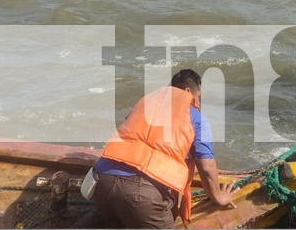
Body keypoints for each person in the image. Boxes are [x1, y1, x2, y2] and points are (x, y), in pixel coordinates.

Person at [92, 69, 236, 228]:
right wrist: (219, 197)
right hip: (142, 196)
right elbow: (207, 168)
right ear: (188, 91)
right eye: (198, 97)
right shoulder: (196, 118)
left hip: (102, 184)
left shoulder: (145, 103)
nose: (199, 103)